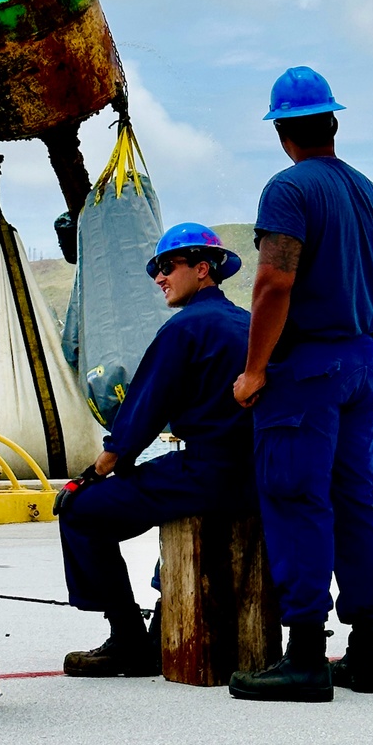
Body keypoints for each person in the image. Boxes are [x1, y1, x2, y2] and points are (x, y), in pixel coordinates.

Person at [229, 67, 373, 703]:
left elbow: (274, 283)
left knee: (297, 499)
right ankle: (365, 654)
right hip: (362, 364)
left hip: (307, 371)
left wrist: (253, 372)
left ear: (282, 131)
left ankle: (304, 655)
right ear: (332, 122)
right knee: (355, 504)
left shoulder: (287, 191)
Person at [60, 222, 253, 677]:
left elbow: (142, 413)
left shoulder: (185, 329)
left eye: (167, 266)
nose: (159, 278)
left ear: (203, 269)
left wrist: (95, 472)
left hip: (207, 470)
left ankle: (126, 635)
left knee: (81, 510)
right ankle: (165, 612)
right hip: (257, 471)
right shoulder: (250, 323)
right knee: (162, 488)